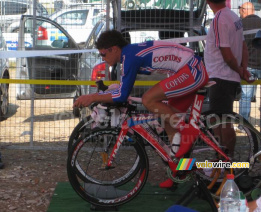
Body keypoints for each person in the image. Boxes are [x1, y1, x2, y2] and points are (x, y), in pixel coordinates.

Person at [73, 30, 209, 188]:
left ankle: (187, 133)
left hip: (192, 69)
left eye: (103, 54)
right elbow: (123, 90)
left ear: (114, 49)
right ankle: (178, 172)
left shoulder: (129, 56)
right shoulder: (129, 54)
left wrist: (92, 97)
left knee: (148, 99)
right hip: (188, 69)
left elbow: (122, 95)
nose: (102, 58)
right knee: (168, 122)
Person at [204, 0, 253, 157]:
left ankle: (226, 162)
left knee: (223, 123)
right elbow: (243, 46)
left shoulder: (220, 19)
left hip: (221, 77)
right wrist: (243, 69)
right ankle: (223, 161)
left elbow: (227, 54)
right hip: (226, 77)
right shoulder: (233, 16)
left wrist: (240, 70)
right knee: (220, 121)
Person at [238, 2, 261, 123]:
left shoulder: (240, 25)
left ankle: (244, 124)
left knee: (246, 97)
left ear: (244, 10)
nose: (239, 13)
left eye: (240, 10)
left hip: (249, 66)